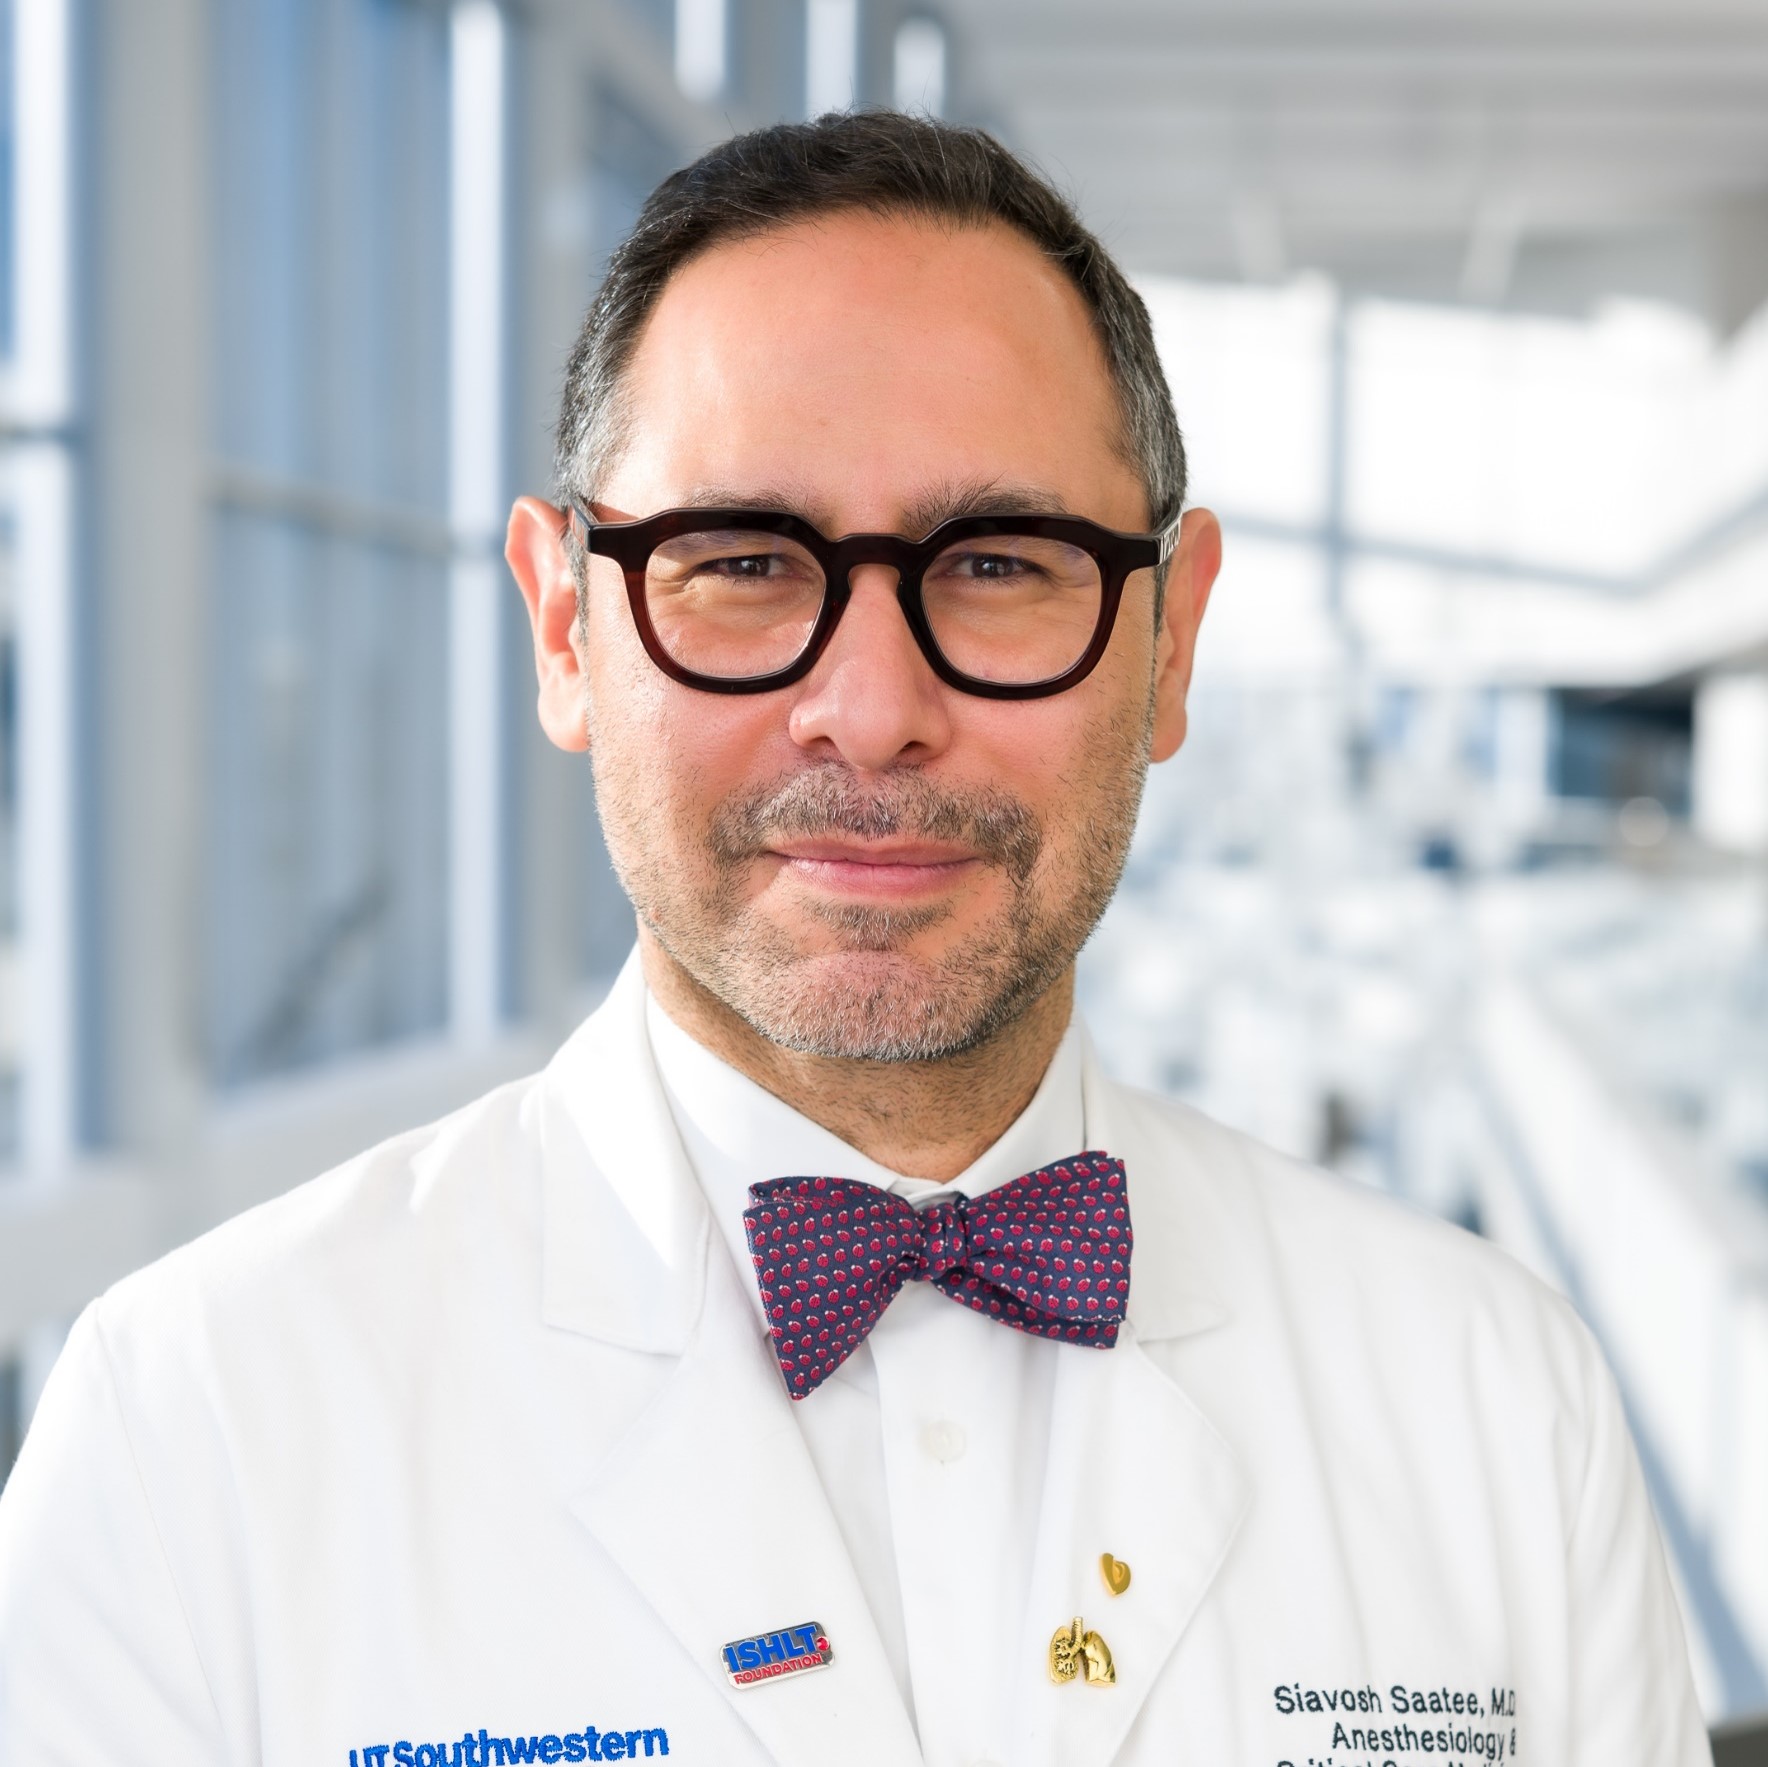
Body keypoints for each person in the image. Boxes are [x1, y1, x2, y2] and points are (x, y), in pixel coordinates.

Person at [0, 112, 1709, 1767]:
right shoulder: (194, 1438)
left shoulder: (1494, 1402)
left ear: (1172, 642)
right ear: (565, 630)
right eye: (742, 558)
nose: (873, 711)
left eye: (999, 565)